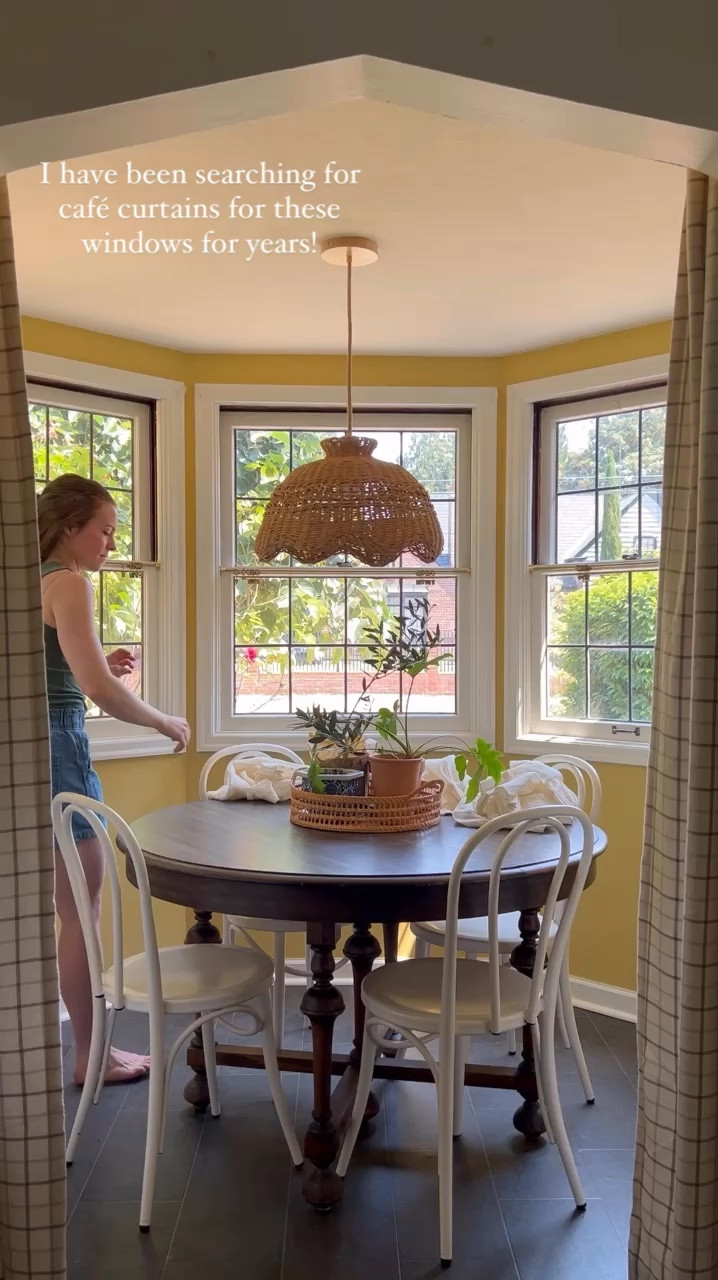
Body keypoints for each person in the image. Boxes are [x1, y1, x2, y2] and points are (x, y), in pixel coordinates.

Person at [38, 473, 190, 1085]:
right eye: (104, 531)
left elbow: (66, 666)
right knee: (82, 909)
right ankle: (92, 1055)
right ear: (69, 527)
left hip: (26, 749)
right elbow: (95, 687)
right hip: (61, 751)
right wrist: (163, 721)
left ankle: (86, 1050)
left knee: (64, 908)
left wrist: (101, 663)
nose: (110, 543)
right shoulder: (68, 582)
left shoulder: (27, 580)